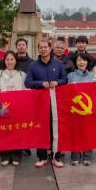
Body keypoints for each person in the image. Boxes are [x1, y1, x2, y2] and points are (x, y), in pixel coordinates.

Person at [25, 40, 68, 168]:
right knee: (41, 129)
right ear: (38, 49)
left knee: (56, 128)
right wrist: (40, 84)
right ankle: (42, 157)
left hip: (56, 102)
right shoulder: (33, 65)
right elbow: (27, 82)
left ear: (50, 49)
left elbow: (65, 79)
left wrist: (58, 82)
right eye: (41, 47)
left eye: (45, 47)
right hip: (40, 103)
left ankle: (56, 156)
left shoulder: (58, 64)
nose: (43, 49)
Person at [0, 51, 27, 166]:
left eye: (12, 59)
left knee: (17, 130)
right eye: (7, 59)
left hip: (18, 106)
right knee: (4, 130)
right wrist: (0, 94)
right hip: (3, 106)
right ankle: (5, 155)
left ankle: (17, 155)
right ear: (4, 61)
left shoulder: (22, 74)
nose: (9, 62)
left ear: (16, 61)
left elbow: (26, 90)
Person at [67, 52, 96, 166]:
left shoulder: (92, 76)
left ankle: (87, 156)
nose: (81, 63)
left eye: (84, 60)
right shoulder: (70, 76)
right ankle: (75, 156)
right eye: (79, 60)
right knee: (75, 133)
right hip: (75, 110)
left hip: (88, 110)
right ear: (75, 62)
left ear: (87, 62)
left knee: (88, 133)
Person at [15, 37, 34, 156]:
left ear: (27, 47)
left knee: (26, 122)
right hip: (13, 95)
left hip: (27, 96)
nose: (21, 46)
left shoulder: (32, 62)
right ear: (16, 47)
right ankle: (15, 145)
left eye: (23, 45)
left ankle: (26, 145)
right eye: (19, 45)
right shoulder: (11, 60)